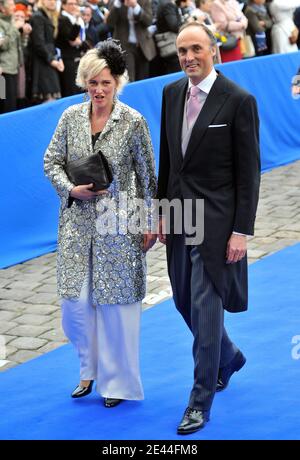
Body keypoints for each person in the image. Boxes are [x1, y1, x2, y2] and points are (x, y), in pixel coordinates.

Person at [157, 21, 260, 433]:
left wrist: (242, 230)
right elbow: (168, 160)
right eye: (183, 51)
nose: (188, 58)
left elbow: (249, 173)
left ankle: (200, 400)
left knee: (204, 305)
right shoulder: (170, 93)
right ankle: (229, 355)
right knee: (183, 300)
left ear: (213, 51)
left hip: (216, 222)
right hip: (180, 216)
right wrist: (161, 212)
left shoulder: (238, 100)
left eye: (196, 49)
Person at [44, 39, 157, 408]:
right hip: (77, 227)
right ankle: (88, 371)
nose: (99, 90)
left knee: (117, 309)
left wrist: (149, 222)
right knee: (76, 305)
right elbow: (51, 162)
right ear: (84, 83)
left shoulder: (133, 122)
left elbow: (147, 176)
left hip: (119, 225)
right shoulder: (69, 118)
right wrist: (70, 188)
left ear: (117, 83)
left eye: (106, 83)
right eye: (93, 83)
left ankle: (118, 384)